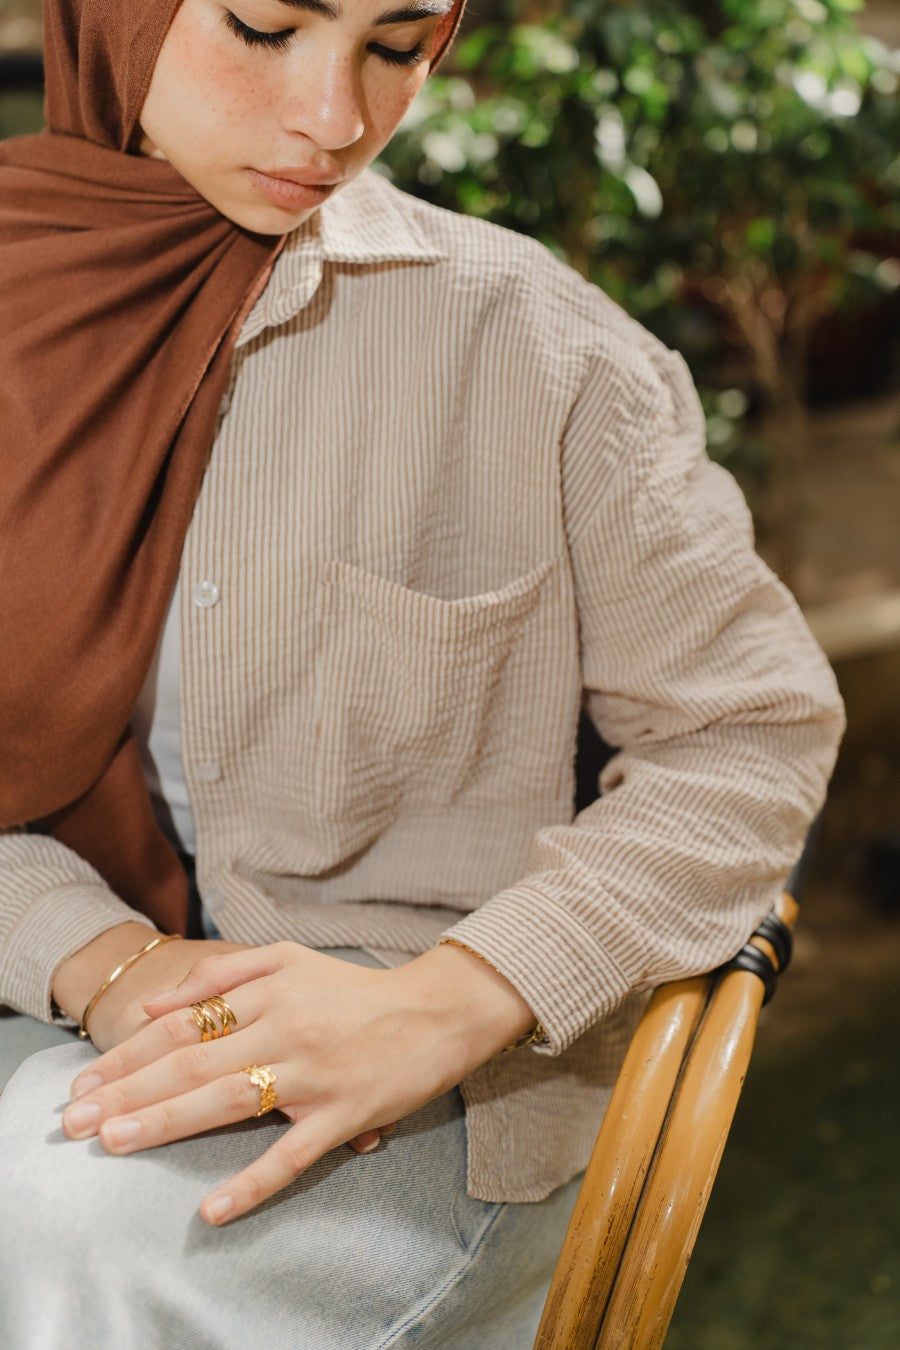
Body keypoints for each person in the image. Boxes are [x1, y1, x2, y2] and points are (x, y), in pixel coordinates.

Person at [0, 1, 844, 1345]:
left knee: (69, 1223)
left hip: (444, 1101)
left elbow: (750, 737)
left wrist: (450, 1002)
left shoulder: (541, 348)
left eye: (395, 48)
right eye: (267, 25)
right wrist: (106, 960)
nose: (335, 120)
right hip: (51, 992)